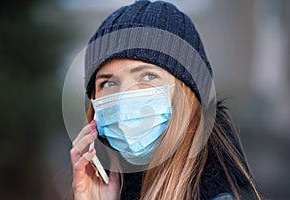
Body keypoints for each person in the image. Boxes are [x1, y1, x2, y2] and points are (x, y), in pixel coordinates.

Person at [69, 0, 262, 199]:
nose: (124, 95)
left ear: (188, 94)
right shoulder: (110, 187)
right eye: (108, 83)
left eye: (148, 76)